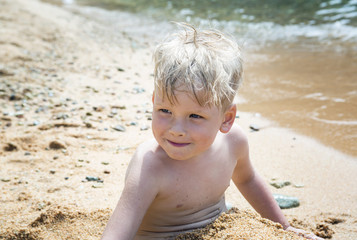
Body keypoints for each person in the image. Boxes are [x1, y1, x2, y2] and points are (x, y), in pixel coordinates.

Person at [101, 23, 323, 240]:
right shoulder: (149, 165)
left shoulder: (233, 142)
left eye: (195, 116)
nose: (176, 130)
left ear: (226, 119)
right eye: (165, 110)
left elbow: (248, 180)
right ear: (153, 102)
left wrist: (283, 228)